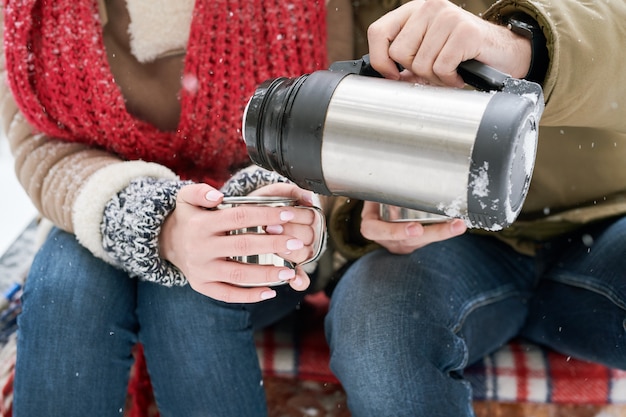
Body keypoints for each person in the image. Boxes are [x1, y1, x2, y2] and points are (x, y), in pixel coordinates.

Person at [0, 0, 352, 415]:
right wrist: (155, 222)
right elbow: (42, 140)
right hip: (101, 200)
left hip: (262, 208)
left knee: (197, 293)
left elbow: (327, 122)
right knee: (66, 292)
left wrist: (251, 216)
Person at [324, 0, 626, 416]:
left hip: (605, 218)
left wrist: (524, 46)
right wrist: (358, 200)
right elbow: (326, 100)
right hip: (449, 236)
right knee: (378, 333)